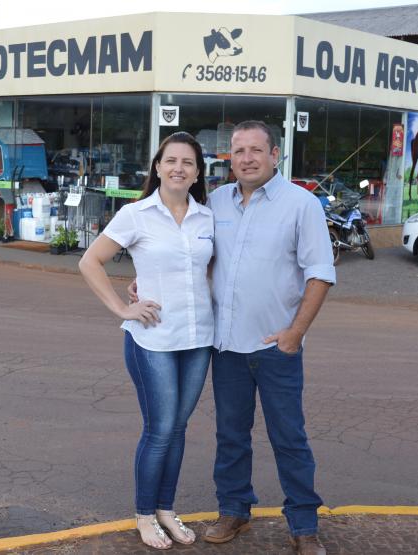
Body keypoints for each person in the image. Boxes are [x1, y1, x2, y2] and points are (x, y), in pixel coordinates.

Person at [130, 121, 335, 554]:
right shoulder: (215, 202)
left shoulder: (302, 204)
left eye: (256, 150)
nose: (246, 158)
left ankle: (303, 525)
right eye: (239, 151)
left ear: (275, 155)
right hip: (225, 347)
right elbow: (192, 255)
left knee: (289, 438)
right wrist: (144, 282)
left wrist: (295, 334)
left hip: (276, 346)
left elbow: (320, 274)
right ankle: (234, 510)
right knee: (231, 437)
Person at [79, 132, 214, 550]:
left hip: (198, 339)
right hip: (153, 340)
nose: (178, 168)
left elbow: (207, 273)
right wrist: (123, 308)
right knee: (160, 429)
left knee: (178, 428)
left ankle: (165, 509)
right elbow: (90, 261)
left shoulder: (206, 218)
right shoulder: (136, 214)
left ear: (197, 173)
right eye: (171, 160)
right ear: (157, 167)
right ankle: (144, 514)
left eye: (187, 162)